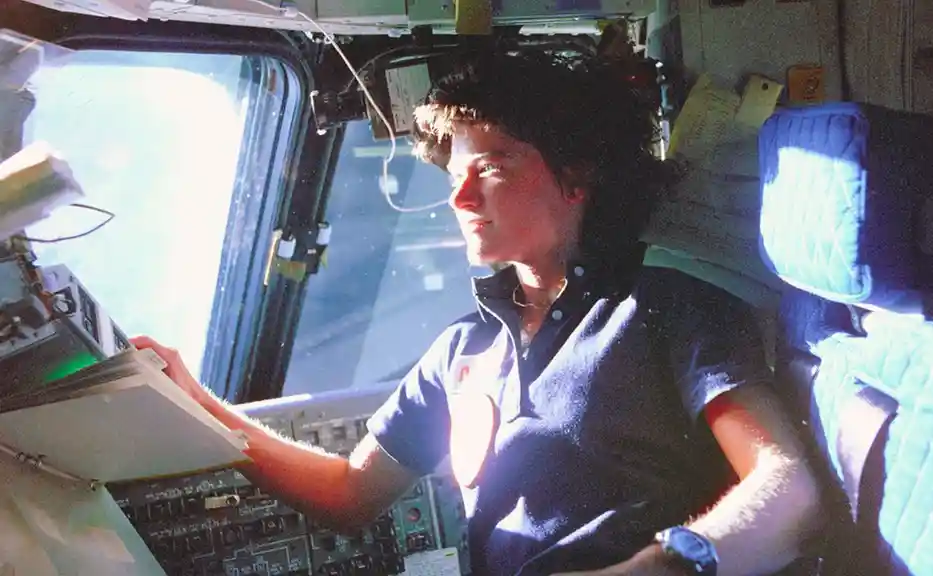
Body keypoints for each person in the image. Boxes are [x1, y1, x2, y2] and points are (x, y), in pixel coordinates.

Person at [134, 50, 822, 576]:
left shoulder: (668, 309)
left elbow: (788, 489)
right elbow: (349, 494)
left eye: (491, 167)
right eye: (455, 173)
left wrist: (662, 567)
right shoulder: (462, 350)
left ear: (577, 177)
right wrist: (197, 403)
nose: (460, 197)